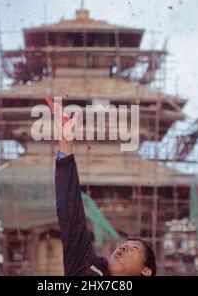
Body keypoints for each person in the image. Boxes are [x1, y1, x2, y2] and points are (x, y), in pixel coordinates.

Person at [46, 96, 157, 276]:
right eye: (124, 245)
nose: (123, 248)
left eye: (134, 248)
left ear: (145, 270)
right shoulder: (86, 265)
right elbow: (70, 214)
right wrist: (66, 146)